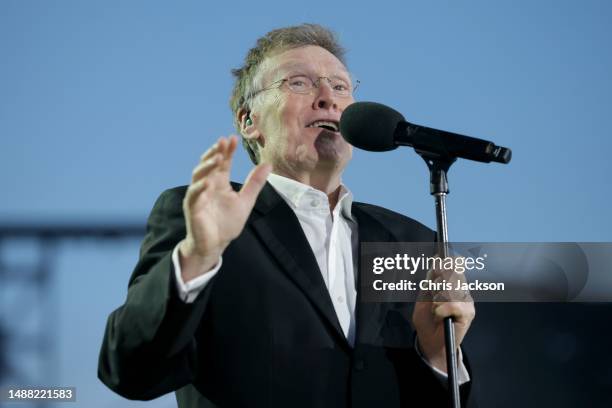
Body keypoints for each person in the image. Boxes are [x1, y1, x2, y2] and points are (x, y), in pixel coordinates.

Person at [98, 23, 476, 407]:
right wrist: (198, 256)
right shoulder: (203, 217)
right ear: (249, 121)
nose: (328, 98)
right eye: (299, 83)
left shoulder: (414, 242)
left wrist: (438, 357)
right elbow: (130, 372)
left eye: (341, 87)